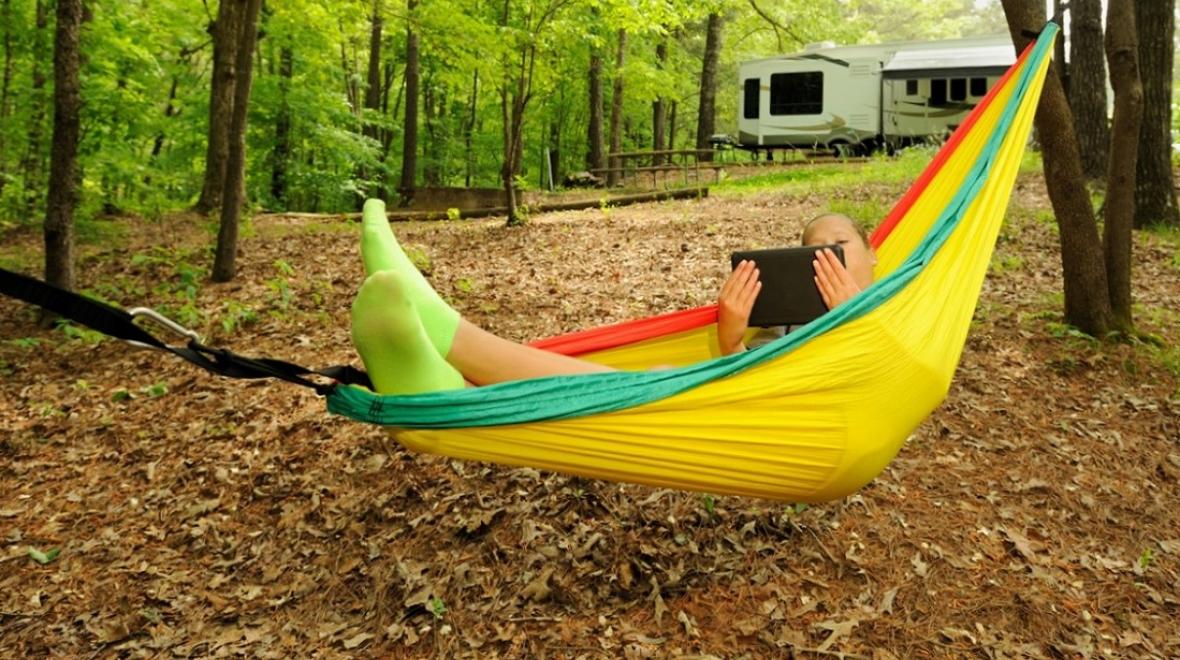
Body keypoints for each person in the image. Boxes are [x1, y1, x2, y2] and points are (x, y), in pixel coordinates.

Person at [350, 199, 876, 395]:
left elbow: (882, 367)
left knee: (635, 385)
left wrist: (853, 313)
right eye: (809, 250)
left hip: (772, 414)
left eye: (838, 245)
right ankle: (441, 383)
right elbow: (743, 372)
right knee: (628, 381)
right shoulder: (783, 321)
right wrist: (732, 336)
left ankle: (448, 334)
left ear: (873, 255)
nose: (822, 258)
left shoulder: (895, 307)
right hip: (731, 398)